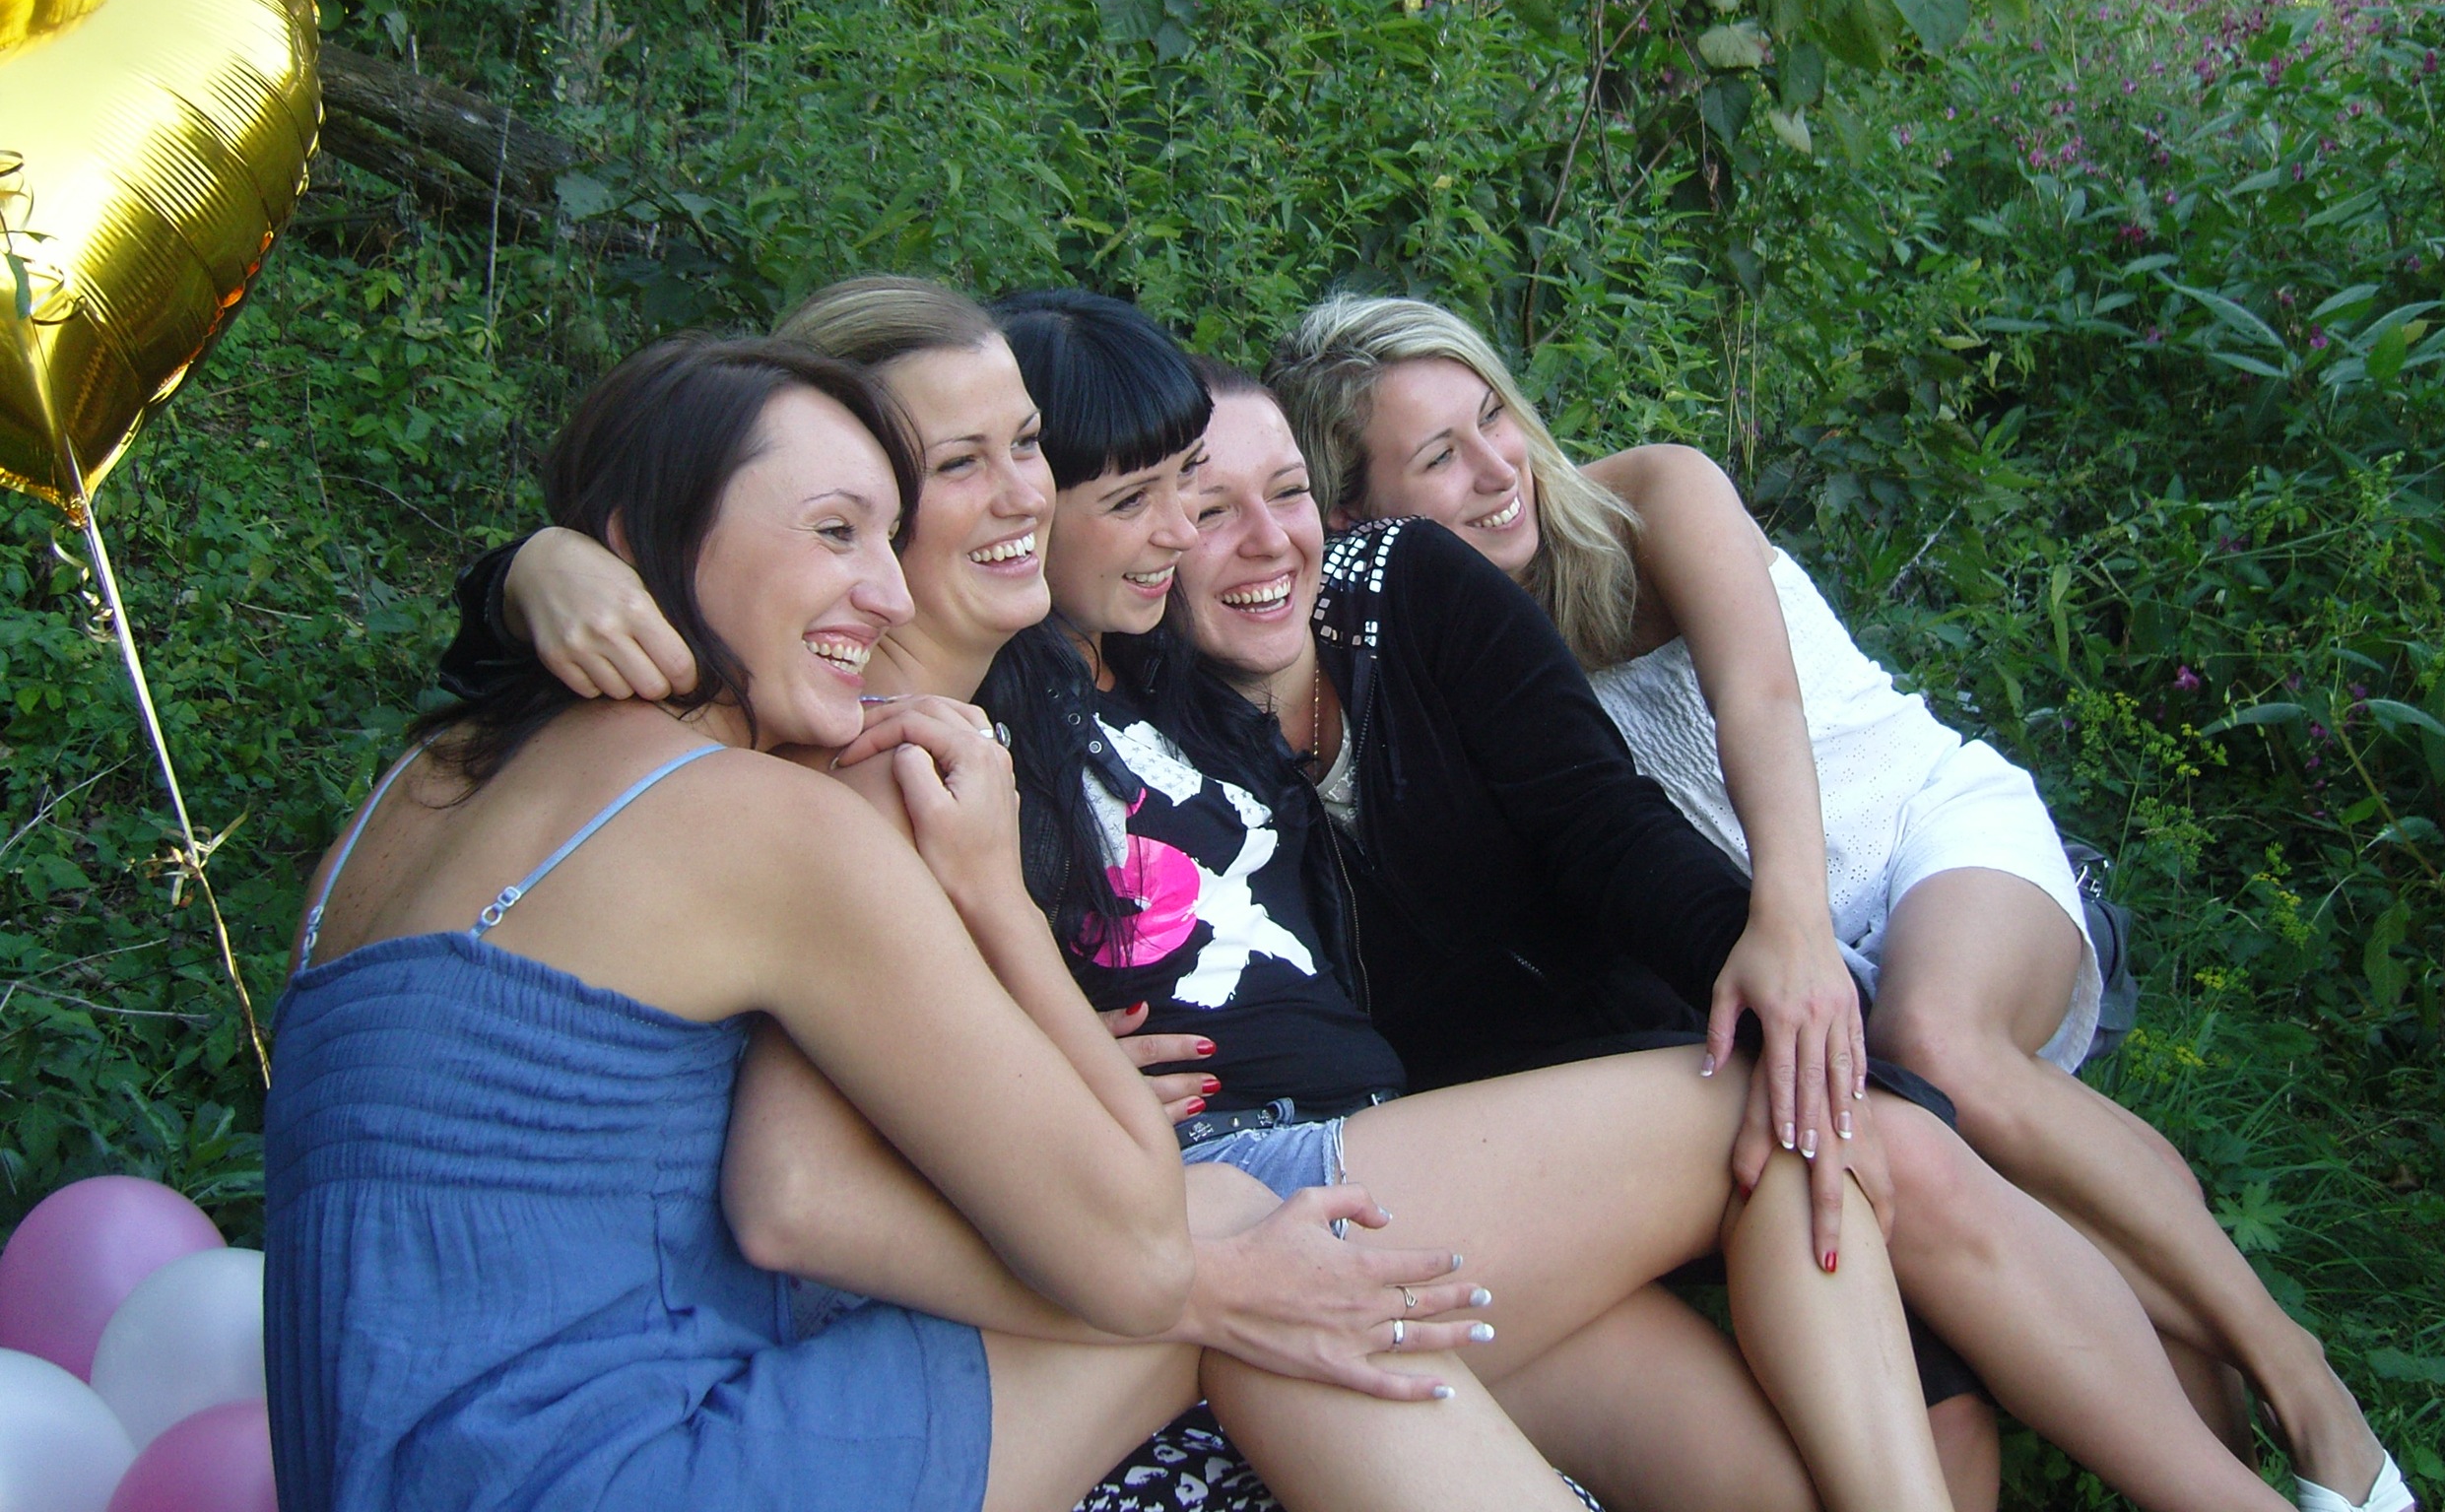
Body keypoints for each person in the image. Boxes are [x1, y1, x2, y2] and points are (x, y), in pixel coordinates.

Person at [470, 286, 1964, 1512]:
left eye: (1036, 452)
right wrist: (539, 572)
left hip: (1304, 1166)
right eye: (970, 475)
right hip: (1221, 1193)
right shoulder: (880, 745)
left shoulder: (1106, 679)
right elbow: (801, 1180)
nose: (1042, 498)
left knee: (1764, 1453)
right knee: (1771, 1100)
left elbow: (1564, 813)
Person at [1263, 294, 2412, 1512]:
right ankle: (2217, 1460)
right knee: (1963, 1160)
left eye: (1494, 417)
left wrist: (1794, 926)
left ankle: (2306, 1386)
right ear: (1353, 520)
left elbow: (1759, 701)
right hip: (1779, 936)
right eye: (1440, 457)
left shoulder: (1652, 497)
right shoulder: (1428, 640)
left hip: (1911, 845)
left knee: (1936, 1043)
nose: (1498, 468)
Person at [267, 337, 1211, 1512]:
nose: (892, 594)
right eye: (835, 532)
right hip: (629, 1476)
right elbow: (1140, 1258)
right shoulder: (762, 824)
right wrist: (995, 894)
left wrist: (529, 569)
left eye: (889, 539)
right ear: (637, 546)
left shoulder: (407, 794)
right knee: (1236, 1272)